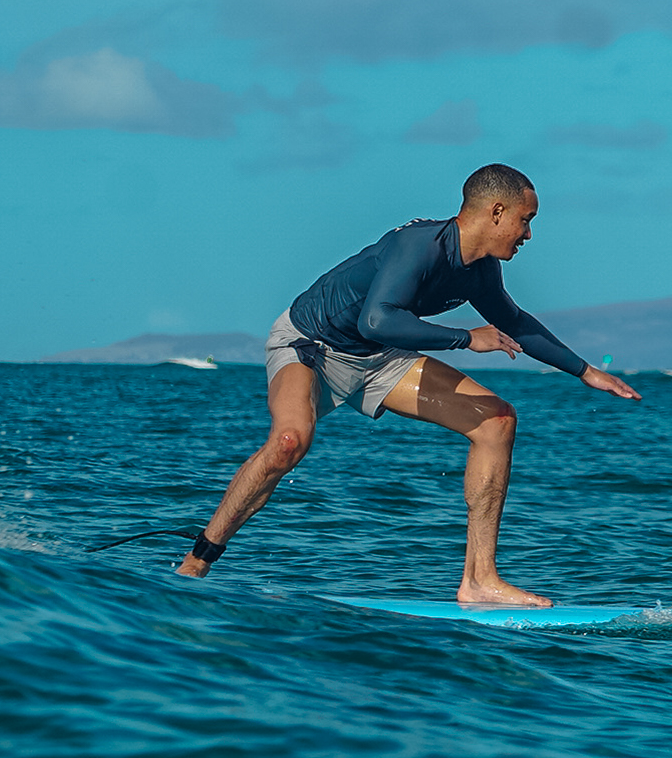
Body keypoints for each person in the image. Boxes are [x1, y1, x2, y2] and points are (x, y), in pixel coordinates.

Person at [176, 163, 639, 606]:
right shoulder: (419, 247)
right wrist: (464, 339)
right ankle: (197, 561)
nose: (528, 234)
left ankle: (480, 580)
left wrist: (585, 371)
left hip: (379, 357)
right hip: (312, 345)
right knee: (288, 442)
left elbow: (513, 320)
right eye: (525, 220)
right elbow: (377, 318)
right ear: (496, 212)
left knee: (496, 421)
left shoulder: (480, 270)